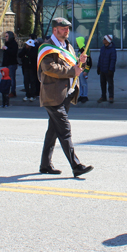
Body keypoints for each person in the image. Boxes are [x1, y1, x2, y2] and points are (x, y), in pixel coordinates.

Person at [38, 17, 93, 178]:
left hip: (66, 94)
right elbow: (48, 68)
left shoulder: (67, 46)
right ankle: (76, 165)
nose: (66, 30)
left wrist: (80, 62)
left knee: (53, 130)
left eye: (68, 28)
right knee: (64, 129)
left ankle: (45, 164)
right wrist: (72, 71)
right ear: (55, 30)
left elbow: (74, 67)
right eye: (63, 28)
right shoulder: (47, 47)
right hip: (52, 95)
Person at [97, 34, 117, 103]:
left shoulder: (112, 49)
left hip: (108, 70)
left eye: (104, 39)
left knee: (110, 84)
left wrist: (111, 69)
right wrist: (98, 67)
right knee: (102, 83)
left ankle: (111, 97)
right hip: (102, 69)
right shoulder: (102, 48)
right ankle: (103, 96)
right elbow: (100, 58)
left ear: (108, 41)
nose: (103, 40)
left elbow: (113, 60)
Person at [2, 31, 18, 97]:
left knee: (12, 78)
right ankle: (7, 90)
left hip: (12, 63)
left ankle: (13, 91)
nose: (5, 38)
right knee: (7, 78)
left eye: (7, 36)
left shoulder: (14, 43)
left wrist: (7, 49)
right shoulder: (7, 43)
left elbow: (13, 52)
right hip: (7, 63)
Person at [76, 36, 92, 103]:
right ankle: (81, 95)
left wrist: (86, 70)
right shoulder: (80, 49)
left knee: (84, 83)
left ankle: (85, 96)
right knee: (80, 83)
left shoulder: (86, 49)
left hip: (84, 69)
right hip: (80, 69)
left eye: (77, 42)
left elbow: (88, 61)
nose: (76, 43)